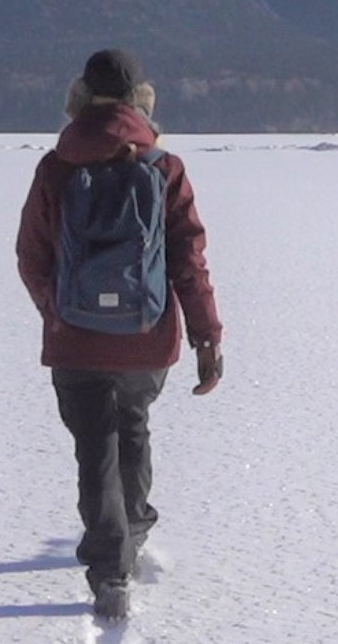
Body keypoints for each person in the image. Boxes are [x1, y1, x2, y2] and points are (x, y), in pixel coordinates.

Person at [16, 48, 224, 621]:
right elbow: (189, 261)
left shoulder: (56, 167)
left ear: (80, 98)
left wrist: (57, 313)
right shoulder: (163, 167)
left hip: (76, 339)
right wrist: (207, 338)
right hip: (145, 335)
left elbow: (30, 255)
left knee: (94, 450)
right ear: (140, 101)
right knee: (131, 430)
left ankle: (110, 571)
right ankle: (130, 534)